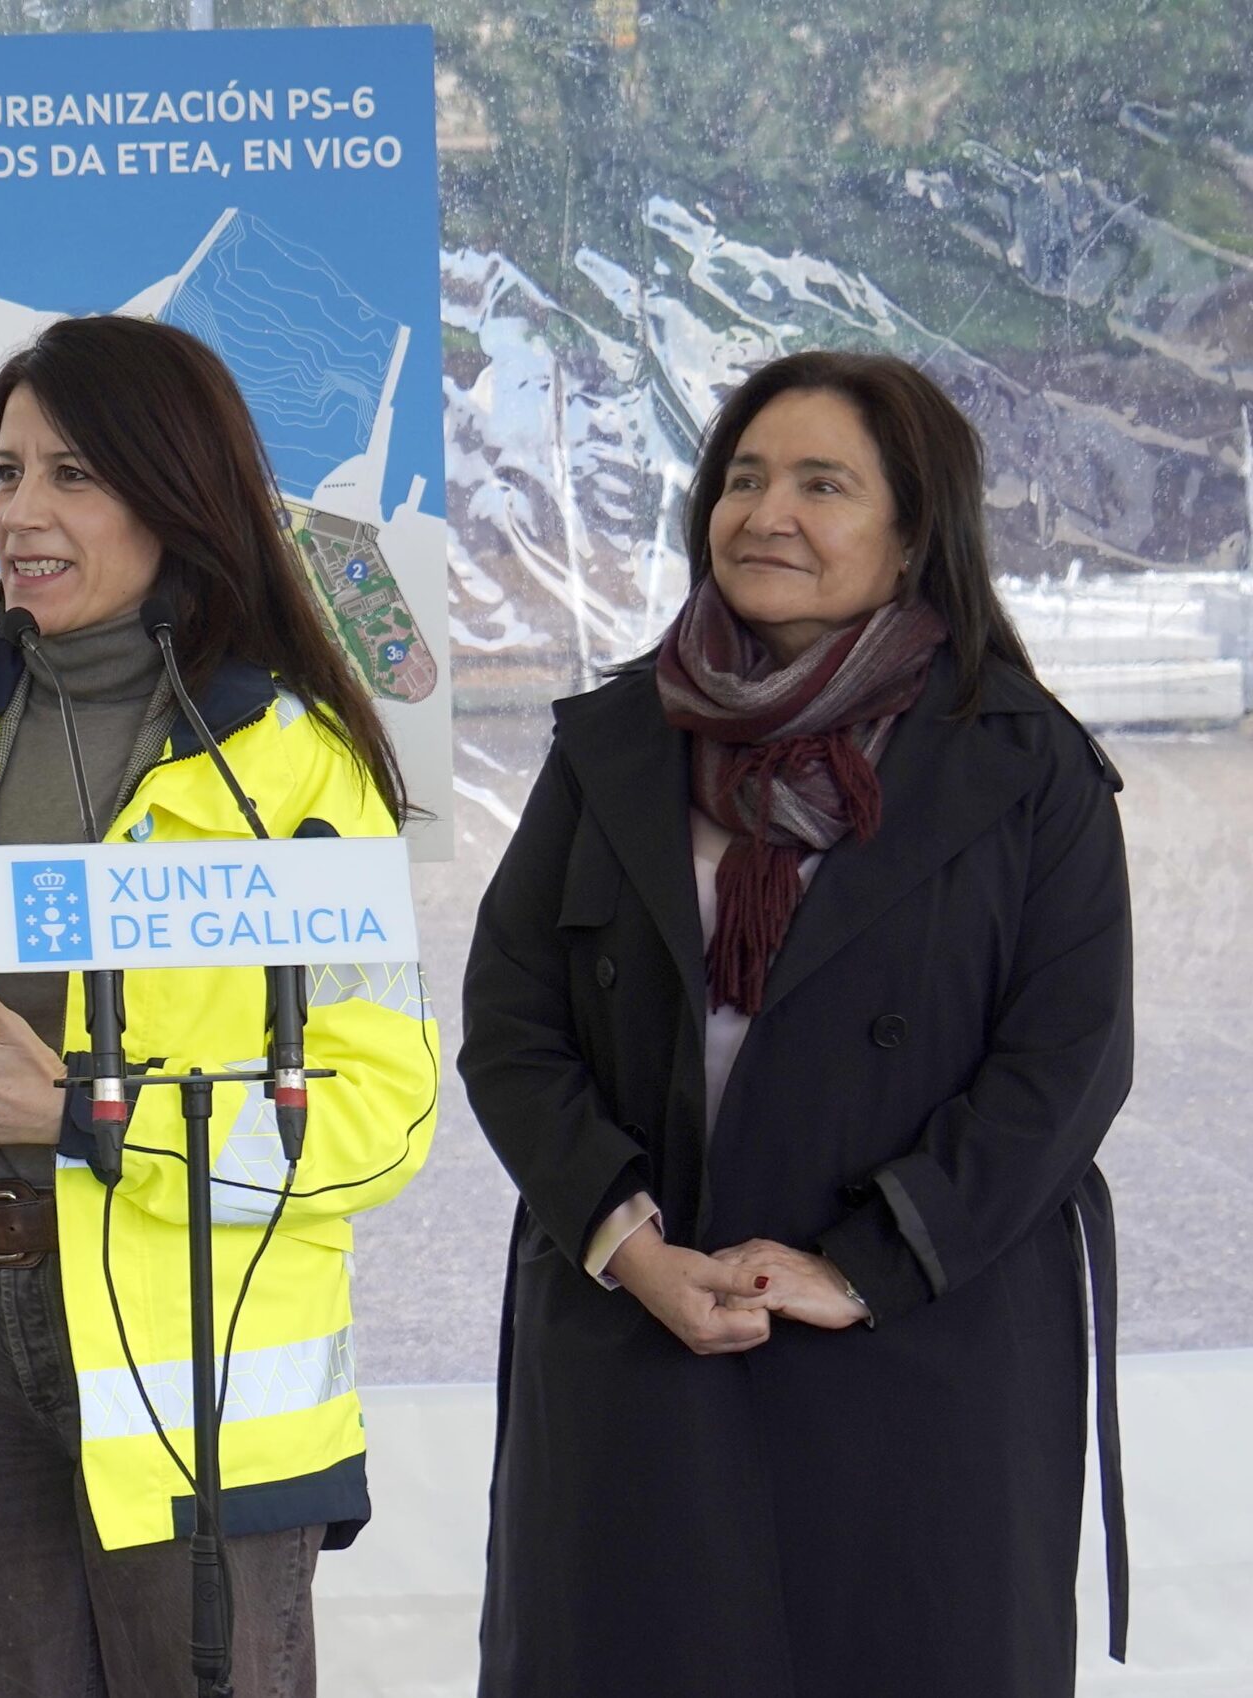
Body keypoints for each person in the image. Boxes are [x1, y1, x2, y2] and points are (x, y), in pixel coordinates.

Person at [0, 315, 440, 1697]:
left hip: (198, 1377)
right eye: (6, 472)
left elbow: (380, 1116)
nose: (21, 513)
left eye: (72, 475)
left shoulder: (293, 769)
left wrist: (83, 1115)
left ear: (175, 495)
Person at [459, 350, 1131, 1696]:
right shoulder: (614, 742)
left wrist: (865, 1264)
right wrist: (627, 1242)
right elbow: (511, 1022)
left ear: (914, 535)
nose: (767, 514)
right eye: (746, 479)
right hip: (644, 1333)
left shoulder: (1025, 761)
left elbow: (1066, 1066)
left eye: (823, 485)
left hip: (916, 1356)